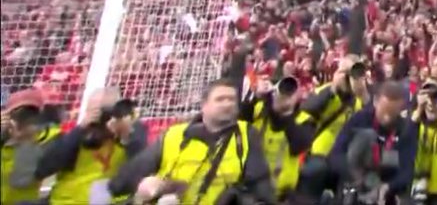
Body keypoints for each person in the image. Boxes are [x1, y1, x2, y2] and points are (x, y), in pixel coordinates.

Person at [108, 78, 275, 205]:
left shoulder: (246, 135)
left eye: (232, 99)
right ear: (204, 105)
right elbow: (123, 180)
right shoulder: (174, 134)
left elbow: (262, 192)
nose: (227, 104)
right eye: (220, 99)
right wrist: (147, 189)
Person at [37, 88, 147, 204]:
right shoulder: (77, 137)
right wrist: (79, 129)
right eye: (94, 111)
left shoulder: (132, 133)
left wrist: (127, 134)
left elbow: (141, 167)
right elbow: (43, 169)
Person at [330, 80, 419, 205]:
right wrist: (357, 177)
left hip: (387, 189)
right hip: (355, 182)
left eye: (392, 113)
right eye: (384, 112)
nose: (387, 118)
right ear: (376, 101)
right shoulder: (359, 120)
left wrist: (388, 187)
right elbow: (336, 155)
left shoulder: (405, 129)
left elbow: (407, 170)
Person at [297, 55, 372, 201]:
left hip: (343, 161)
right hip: (317, 156)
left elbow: (373, 121)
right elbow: (306, 110)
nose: (349, 78)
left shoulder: (359, 100)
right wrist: (333, 89)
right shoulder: (324, 92)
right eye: (346, 73)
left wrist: (363, 93)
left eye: (354, 74)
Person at [243, 75, 315, 202]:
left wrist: (286, 113)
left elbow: (299, 146)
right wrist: (255, 97)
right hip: (248, 188)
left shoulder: (305, 120)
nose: (286, 95)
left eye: (291, 92)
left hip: (280, 194)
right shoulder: (259, 110)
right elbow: (238, 122)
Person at [1, 89, 60, 205]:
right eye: (17, 114)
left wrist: (26, 141)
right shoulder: (4, 133)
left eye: (30, 115)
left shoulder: (49, 138)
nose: (25, 120)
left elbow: (21, 180)